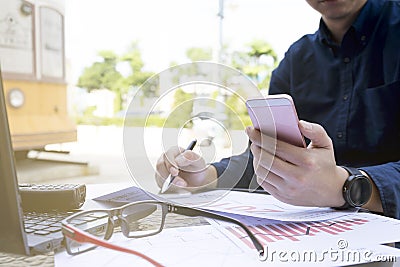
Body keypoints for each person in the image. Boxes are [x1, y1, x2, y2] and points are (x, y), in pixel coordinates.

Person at [155, 0, 400, 221]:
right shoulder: (297, 59)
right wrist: (206, 176)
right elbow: (273, 158)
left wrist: (345, 186)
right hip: (312, 235)